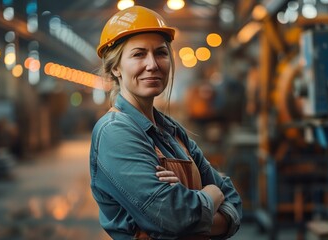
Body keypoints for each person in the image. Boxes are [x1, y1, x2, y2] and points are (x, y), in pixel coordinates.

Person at [89, 5, 242, 240]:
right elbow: (173, 218)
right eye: (139, 54)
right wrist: (210, 194)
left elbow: (232, 199)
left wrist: (191, 205)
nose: (153, 64)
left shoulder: (172, 131)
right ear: (116, 68)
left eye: (160, 53)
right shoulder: (115, 133)